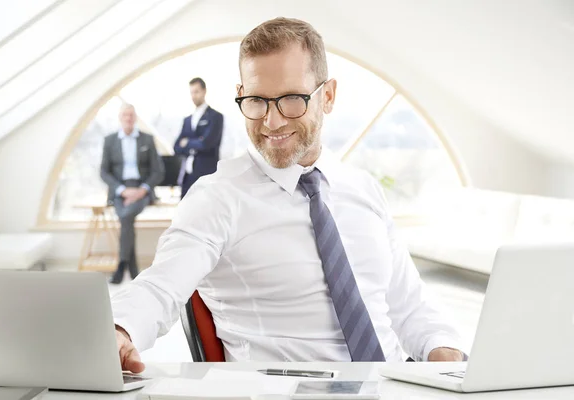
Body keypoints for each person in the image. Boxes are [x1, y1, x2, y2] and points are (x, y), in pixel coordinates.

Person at [112, 18, 466, 372]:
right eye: (256, 100)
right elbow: (161, 285)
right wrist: (120, 330)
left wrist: (445, 352)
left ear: (327, 96)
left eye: (292, 100)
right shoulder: (217, 198)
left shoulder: (363, 189)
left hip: (392, 386)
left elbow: (408, 305)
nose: (272, 121)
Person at [100, 103, 164, 284]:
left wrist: (141, 190)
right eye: (125, 115)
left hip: (142, 189)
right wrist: (122, 190)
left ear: (135, 118)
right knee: (127, 217)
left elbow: (158, 171)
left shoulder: (147, 140)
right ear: (120, 118)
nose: (128, 118)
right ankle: (133, 269)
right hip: (120, 190)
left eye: (131, 115)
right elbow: (104, 172)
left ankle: (121, 265)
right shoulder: (109, 140)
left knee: (125, 216)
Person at [173, 77, 224, 198]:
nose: (193, 96)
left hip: (206, 175)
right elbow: (176, 147)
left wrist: (187, 142)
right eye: (191, 92)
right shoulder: (187, 120)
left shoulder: (215, 117)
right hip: (187, 176)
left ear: (204, 91)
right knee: (184, 212)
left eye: (196, 92)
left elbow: (206, 144)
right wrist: (196, 142)